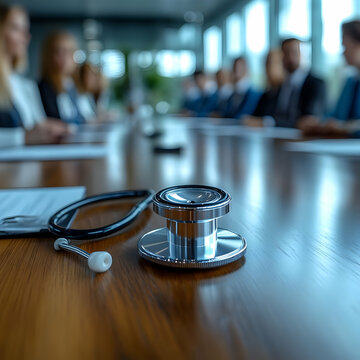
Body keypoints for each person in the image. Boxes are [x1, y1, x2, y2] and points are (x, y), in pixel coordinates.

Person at [0, 4, 69, 146]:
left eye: (26, 30)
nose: (25, 37)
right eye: (16, 28)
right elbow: (27, 135)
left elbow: (38, 125)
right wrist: (22, 138)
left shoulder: (24, 85)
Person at [247, 38, 326, 128]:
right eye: (285, 53)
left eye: (294, 52)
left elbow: (307, 122)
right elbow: (261, 115)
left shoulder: (316, 84)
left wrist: (269, 123)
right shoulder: (280, 85)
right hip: (275, 137)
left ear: (303, 54)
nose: (290, 57)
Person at [301, 20, 360, 137]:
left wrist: (347, 128)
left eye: (345, 46)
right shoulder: (351, 82)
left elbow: (343, 124)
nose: (343, 53)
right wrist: (318, 122)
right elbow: (336, 115)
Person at [38, 32, 95, 125]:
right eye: (58, 52)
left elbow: (85, 115)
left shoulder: (74, 85)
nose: (63, 57)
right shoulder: (45, 88)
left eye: (68, 52)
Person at [243, 49, 285, 126]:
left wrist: (264, 122)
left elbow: (290, 119)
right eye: (265, 63)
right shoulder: (265, 95)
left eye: (271, 63)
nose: (267, 68)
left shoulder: (287, 92)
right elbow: (254, 117)